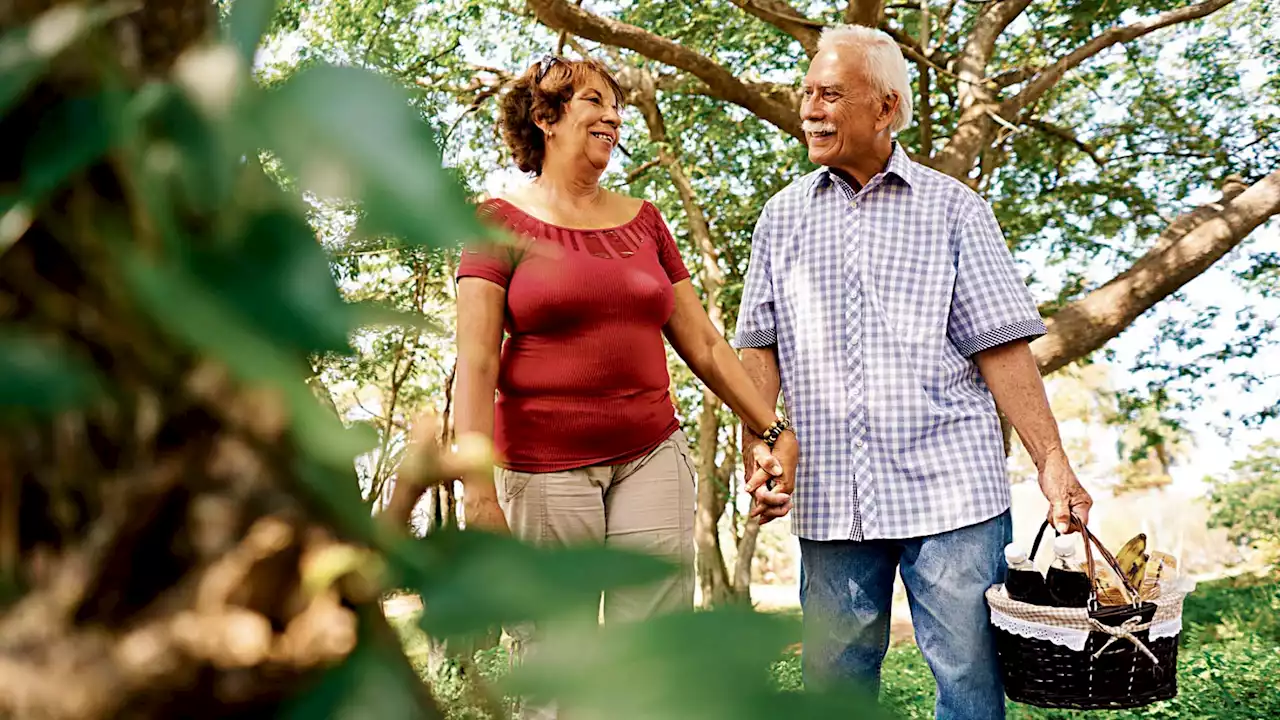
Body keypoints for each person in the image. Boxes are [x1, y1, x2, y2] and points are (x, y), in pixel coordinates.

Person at [733, 25, 1094, 720]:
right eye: (805, 92)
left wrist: (1052, 462)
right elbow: (759, 346)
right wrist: (764, 439)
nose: (810, 108)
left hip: (951, 489)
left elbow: (1001, 346)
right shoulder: (780, 218)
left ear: (887, 108)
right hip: (832, 489)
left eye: (831, 94)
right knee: (834, 685)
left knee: (968, 678)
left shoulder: (954, 209)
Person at [452, 54, 798, 716]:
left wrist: (772, 427)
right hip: (544, 469)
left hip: (651, 457)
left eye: (617, 105)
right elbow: (477, 361)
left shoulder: (645, 220)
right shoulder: (494, 222)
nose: (613, 114)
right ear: (545, 119)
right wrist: (477, 494)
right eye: (593, 100)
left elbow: (702, 343)